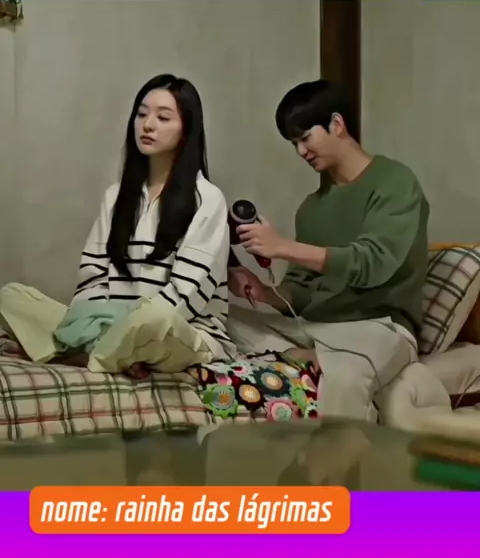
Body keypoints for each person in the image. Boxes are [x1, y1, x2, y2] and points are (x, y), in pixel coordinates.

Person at [0, 74, 235, 370]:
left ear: (186, 131)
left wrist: (126, 327)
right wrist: (95, 328)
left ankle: (84, 355)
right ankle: (109, 355)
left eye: (163, 118)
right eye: (141, 114)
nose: (147, 125)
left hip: (180, 331)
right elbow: (93, 275)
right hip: (109, 329)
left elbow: (186, 295)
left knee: (154, 321)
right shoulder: (115, 197)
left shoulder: (207, 199)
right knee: (12, 297)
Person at [227, 79, 430, 422]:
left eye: (305, 138)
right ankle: (313, 353)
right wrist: (264, 293)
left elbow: (372, 262)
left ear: (336, 124)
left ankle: (340, 450)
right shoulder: (311, 208)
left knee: (345, 379)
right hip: (314, 326)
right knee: (222, 320)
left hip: (378, 327)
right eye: (294, 143)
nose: (301, 152)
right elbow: (302, 293)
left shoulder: (395, 182)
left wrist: (284, 247)